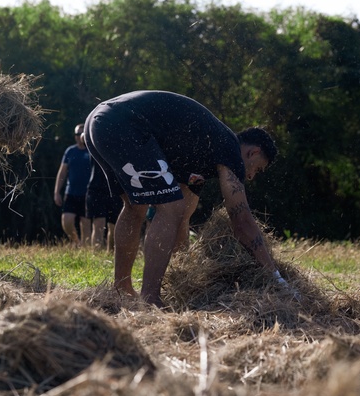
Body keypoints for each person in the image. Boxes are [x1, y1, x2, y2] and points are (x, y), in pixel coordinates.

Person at [83, 90, 290, 307]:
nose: (250, 176)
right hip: (125, 124)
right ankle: (151, 299)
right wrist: (275, 277)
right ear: (253, 153)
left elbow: (183, 220)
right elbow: (242, 222)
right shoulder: (229, 149)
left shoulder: (203, 149)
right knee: (170, 207)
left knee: (137, 207)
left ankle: (121, 290)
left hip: (98, 123)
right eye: (257, 169)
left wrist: (185, 277)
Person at [53, 124, 93, 246]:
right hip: (71, 192)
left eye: (81, 134)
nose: (78, 136)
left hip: (88, 193)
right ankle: (77, 242)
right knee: (67, 221)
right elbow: (62, 172)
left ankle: (86, 252)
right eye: (76, 134)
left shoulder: (92, 151)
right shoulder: (70, 151)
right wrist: (57, 192)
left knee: (85, 223)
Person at [85, 156, 123, 251]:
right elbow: (83, 140)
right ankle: (96, 255)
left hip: (115, 188)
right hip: (96, 188)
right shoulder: (93, 140)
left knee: (114, 226)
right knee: (98, 224)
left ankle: (110, 253)